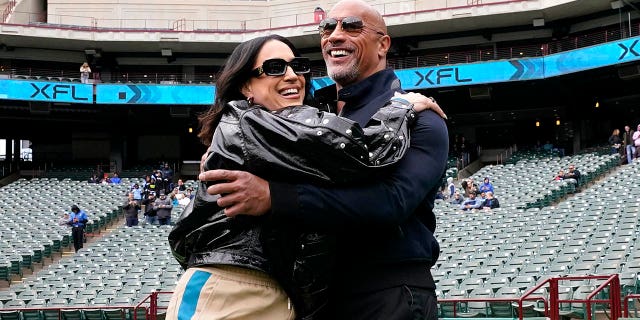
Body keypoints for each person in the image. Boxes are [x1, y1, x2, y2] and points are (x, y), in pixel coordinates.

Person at [195, 1, 449, 318]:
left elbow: (392, 202)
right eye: (327, 28)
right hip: (309, 298)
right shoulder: (309, 121)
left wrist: (275, 196)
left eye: (352, 26)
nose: (335, 35)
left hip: (386, 293)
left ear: (383, 44)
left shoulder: (421, 118)